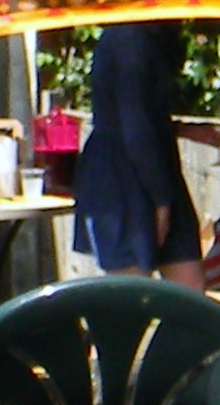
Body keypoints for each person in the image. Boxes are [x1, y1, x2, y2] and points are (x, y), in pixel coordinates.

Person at [75, 18, 208, 288]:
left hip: (151, 167)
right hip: (123, 180)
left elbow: (140, 115)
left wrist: (183, 130)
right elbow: (135, 126)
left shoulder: (146, 36)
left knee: (189, 298)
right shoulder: (131, 41)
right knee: (130, 297)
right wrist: (161, 202)